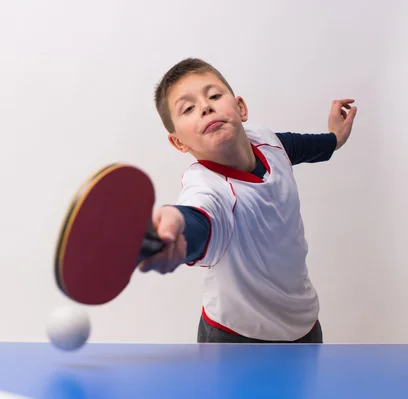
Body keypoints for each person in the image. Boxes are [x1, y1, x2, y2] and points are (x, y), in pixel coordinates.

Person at [138, 58, 357, 344]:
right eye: (188, 109)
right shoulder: (207, 188)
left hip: (304, 326)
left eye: (214, 95)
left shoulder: (266, 140)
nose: (206, 106)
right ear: (179, 142)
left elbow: (295, 147)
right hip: (235, 338)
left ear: (240, 108)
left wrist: (334, 139)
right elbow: (198, 219)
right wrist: (176, 226)